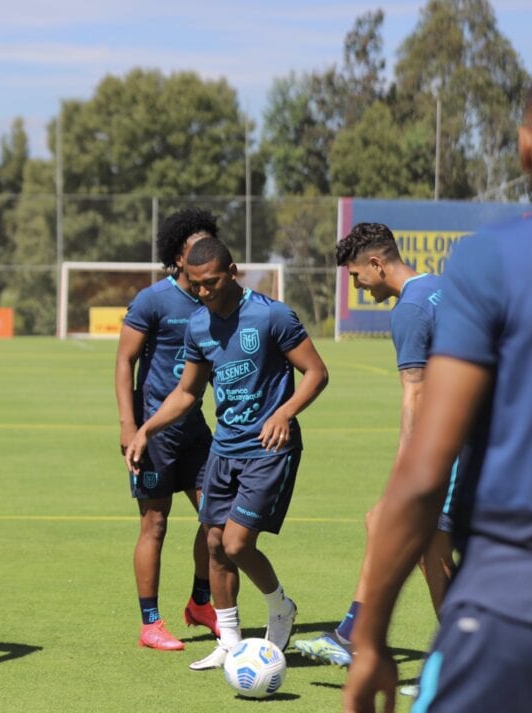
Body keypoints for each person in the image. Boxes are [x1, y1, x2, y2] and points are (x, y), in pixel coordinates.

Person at [344, 90, 532, 713]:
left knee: (415, 533)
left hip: (511, 580)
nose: (355, 284)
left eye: (354, 275)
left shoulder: (488, 262)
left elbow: (420, 416)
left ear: (525, 145)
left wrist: (369, 641)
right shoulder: (452, 284)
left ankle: (394, 634)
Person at [125, 236, 328, 671]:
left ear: (232, 271)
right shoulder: (199, 326)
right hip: (224, 448)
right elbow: (186, 393)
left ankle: (280, 607)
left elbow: (316, 372)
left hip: (267, 449)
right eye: (196, 284)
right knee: (215, 544)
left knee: (236, 542)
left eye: (211, 282)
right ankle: (230, 643)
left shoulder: (272, 315)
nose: (203, 291)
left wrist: (286, 413)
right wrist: (146, 429)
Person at [294, 222, 455, 667]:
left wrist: (404, 475)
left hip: (459, 444)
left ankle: (358, 636)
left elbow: (416, 394)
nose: (357, 287)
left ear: (377, 264)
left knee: (400, 531)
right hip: (489, 435)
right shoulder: (441, 288)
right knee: (424, 547)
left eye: (355, 277)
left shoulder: (410, 310)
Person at [115, 207, 220, 651]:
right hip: (154, 433)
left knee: (217, 519)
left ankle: (200, 603)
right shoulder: (152, 301)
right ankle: (150, 623)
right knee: (155, 524)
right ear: (177, 258)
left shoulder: (217, 299)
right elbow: (125, 360)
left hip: (196, 430)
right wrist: (128, 423)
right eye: (191, 249)